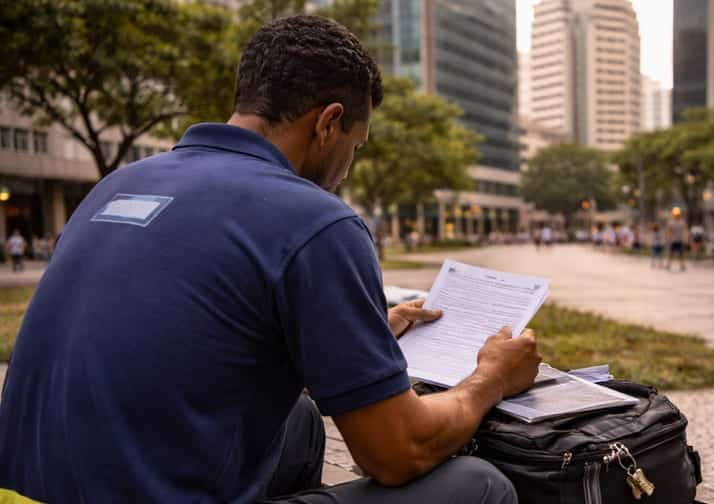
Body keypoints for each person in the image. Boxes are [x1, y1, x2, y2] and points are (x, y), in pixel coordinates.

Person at [0, 16, 537, 504]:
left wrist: (359, 339)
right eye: (357, 145)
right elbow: (398, 453)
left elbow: (193, 343)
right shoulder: (317, 220)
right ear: (328, 124)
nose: (350, 165)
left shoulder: (119, 184)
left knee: (301, 421)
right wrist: (490, 378)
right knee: (479, 488)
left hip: (26, 491)